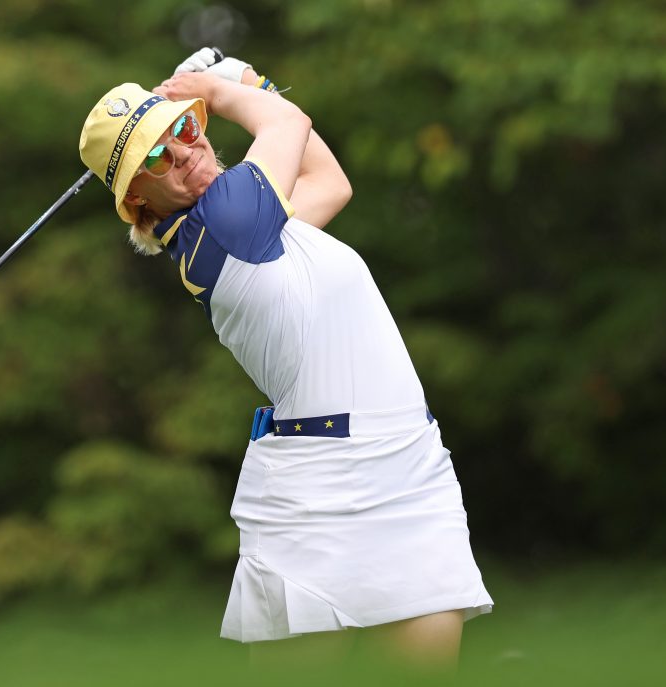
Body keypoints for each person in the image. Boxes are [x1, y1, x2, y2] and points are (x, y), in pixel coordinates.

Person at [78, 49, 492, 670]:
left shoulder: (263, 227)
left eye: (186, 128)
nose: (187, 151)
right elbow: (286, 128)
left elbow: (330, 182)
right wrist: (219, 91)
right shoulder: (225, 224)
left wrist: (248, 81)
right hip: (317, 491)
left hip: (408, 468)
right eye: (158, 155)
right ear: (139, 201)